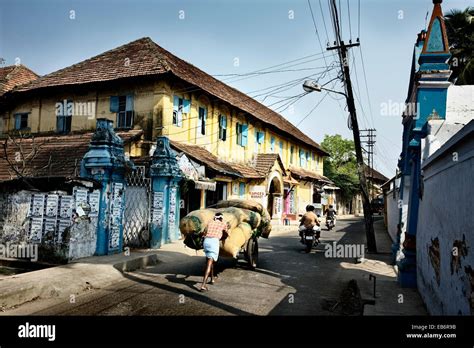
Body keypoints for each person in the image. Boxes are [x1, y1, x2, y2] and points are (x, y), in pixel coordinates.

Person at [199, 212, 228, 291]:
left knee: (210, 260)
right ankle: (203, 285)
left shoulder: (210, 222)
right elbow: (226, 234)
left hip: (206, 241)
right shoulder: (223, 223)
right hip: (214, 242)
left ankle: (212, 279)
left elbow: (204, 232)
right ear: (221, 218)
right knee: (209, 263)